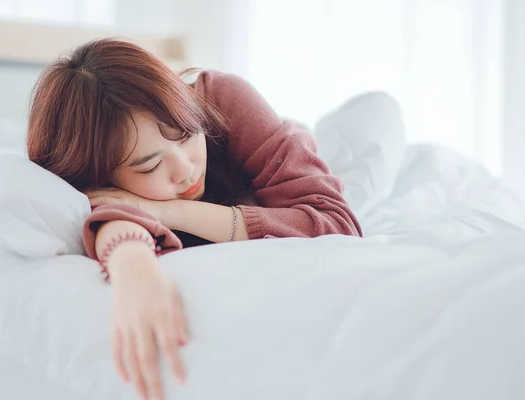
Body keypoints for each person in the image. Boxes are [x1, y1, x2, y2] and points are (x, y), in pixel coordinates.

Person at [27, 38, 362, 400]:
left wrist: (171, 211)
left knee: (373, 118)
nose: (186, 170)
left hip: (294, 167)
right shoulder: (92, 170)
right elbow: (110, 215)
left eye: (186, 135)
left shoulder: (221, 97)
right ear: (103, 177)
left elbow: (338, 225)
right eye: (150, 165)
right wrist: (132, 266)